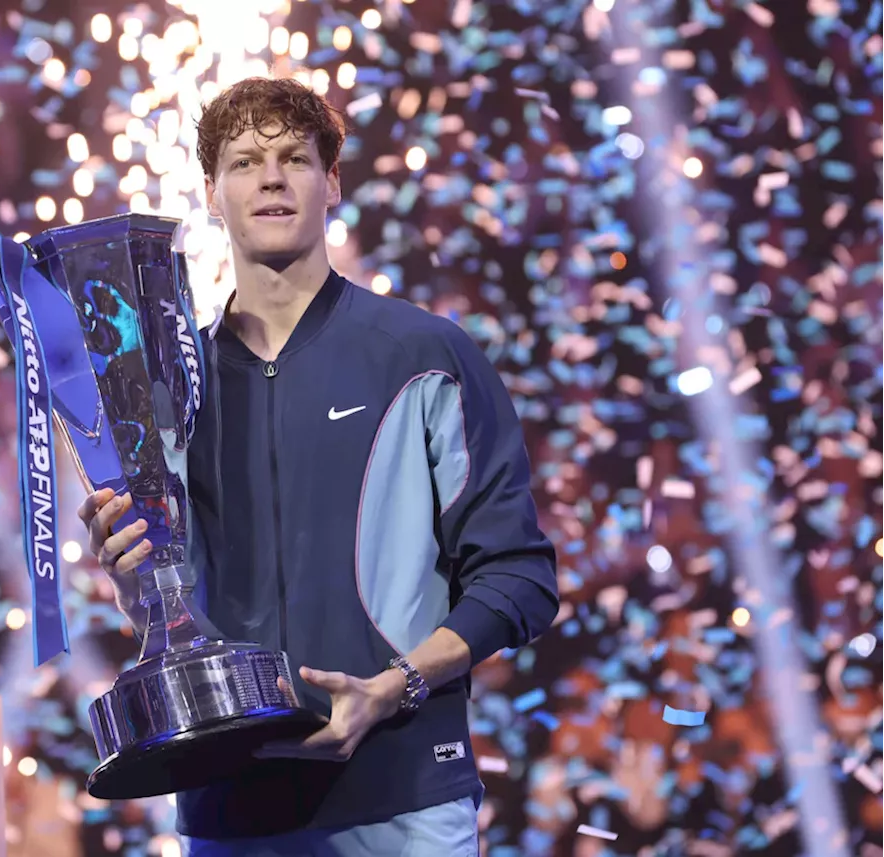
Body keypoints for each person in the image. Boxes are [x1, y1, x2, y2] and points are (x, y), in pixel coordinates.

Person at [77, 77, 560, 857]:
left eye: (293, 157)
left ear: (331, 182)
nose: (271, 176)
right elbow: (170, 609)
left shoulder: (422, 353)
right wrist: (136, 578)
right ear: (210, 193)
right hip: (230, 808)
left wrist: (391, 688)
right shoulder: (167, 388)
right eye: (244, 162)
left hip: (401, 801)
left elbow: (520, 579)